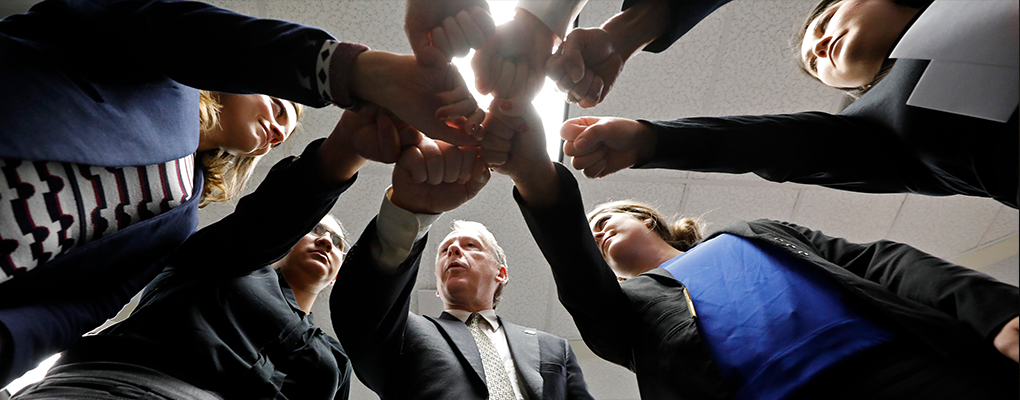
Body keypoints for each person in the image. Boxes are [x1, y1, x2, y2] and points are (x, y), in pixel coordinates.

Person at [0, 0, 482, 385]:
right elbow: (181, 30)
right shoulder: (153, 71)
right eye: (276, 103)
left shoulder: (177, 219)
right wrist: (354, 74)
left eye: (285, 132)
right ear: (234, 81)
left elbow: (72, 309)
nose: (277, 128)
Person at [484, 102, 1019, 399]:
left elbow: (883, 262)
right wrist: (533, 170)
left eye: (607, 217)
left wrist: (998, 314)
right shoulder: (624, 315)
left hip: (912, 369)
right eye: (590, 230)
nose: (597, 232)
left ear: (647, 219)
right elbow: (576, 270)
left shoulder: (752, 233)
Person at [9, 106, 422, 399]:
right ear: (288, 241)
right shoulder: (223, 265)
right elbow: (262, 226)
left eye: (336, 243)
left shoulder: (335, 360)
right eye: (314, 230)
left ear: (336, 274)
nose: (325, 242)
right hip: (124, 388)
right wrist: (346, 149)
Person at [553, 0, 1018, 209]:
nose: (818, 47)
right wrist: (651, 140)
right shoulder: (875, 129)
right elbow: (780, 145)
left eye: (827, 19)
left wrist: (631, 27)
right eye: (815, 64)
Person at [330, 136, 594, 399]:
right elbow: (358, 308)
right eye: (445, 250)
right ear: (438, 288)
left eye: (471, 246)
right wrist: (411, 210)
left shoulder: (552, 347)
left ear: (501, 273)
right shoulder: (403, 333)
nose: (454, 251)